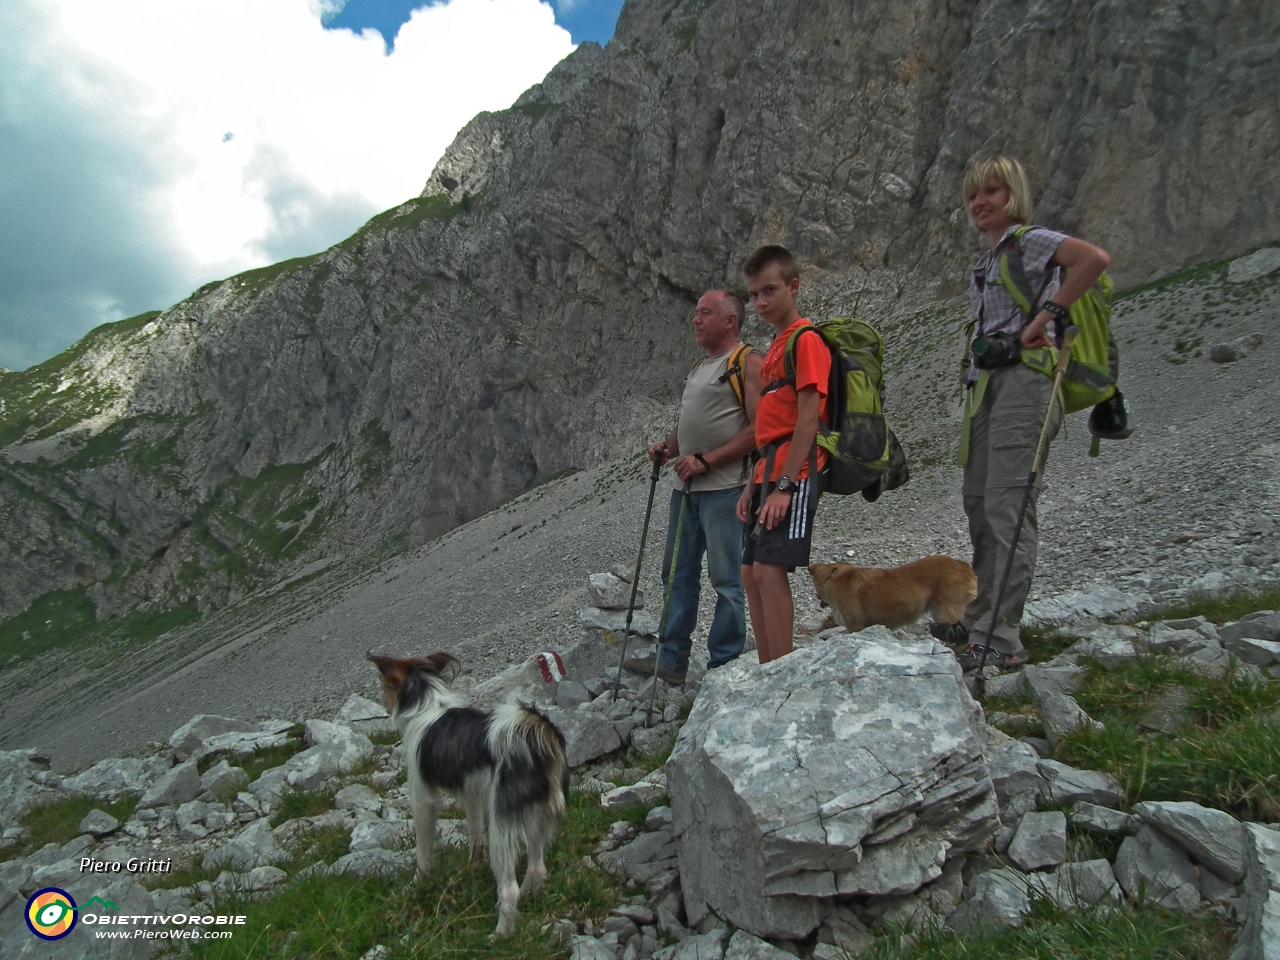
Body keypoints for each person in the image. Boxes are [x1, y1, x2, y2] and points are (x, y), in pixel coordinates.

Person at [935, 156, 1111, 670]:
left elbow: (1094, 259)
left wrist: (1049, 315)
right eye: (972, 195)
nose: (980, 202)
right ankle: (978, 617)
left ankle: (1001, 639)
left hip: (1027, 382)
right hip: (989, 387)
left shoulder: (1028, 240)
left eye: (992, 191)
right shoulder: (986, 261)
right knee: (979, 502)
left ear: (1014, 195)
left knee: (1008, 505)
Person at [624, 290, 762, 685]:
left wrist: (706, 460)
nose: (695, 320)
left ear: (730, 320)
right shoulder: (701, 365)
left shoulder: (747, 362)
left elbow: (759, 430)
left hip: (726, 490)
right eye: (696, 313)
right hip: (687, 491)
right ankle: (672, 658)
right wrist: (669, 448)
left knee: (726, 578)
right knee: (676, 573)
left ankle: (724, 663)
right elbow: (692, 423)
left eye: (705, 313)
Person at [736, 246, 831, 664]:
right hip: (766, 472)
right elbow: (768, 429)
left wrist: (785, 487)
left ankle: (780, 668)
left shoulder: (806, 341)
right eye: (754, 294)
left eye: (770, 290)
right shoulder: (776, 345)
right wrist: (751, 485)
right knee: (749, 572)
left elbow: (808, 422)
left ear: (794, 287)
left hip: (796, 472)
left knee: (769, 571)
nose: (761, 302)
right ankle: (765, 667)